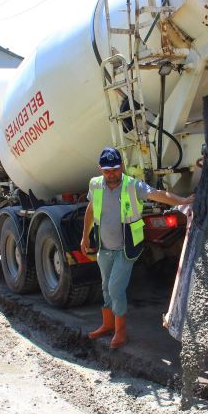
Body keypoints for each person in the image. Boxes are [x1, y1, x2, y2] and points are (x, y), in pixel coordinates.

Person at [81, 147, 194, 349]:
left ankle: (120, 332)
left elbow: (158, 194)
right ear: (100, 169)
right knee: (106, 288)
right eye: (107, 170)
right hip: (104, 247)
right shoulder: (95, 185)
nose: (111, 174)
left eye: (115, 169)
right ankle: (107, 325)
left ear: (121, 166)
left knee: (116, 288)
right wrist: (85, 236)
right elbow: (90, 209)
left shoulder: (133, 186)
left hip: (126, 248)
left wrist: (182, 201)